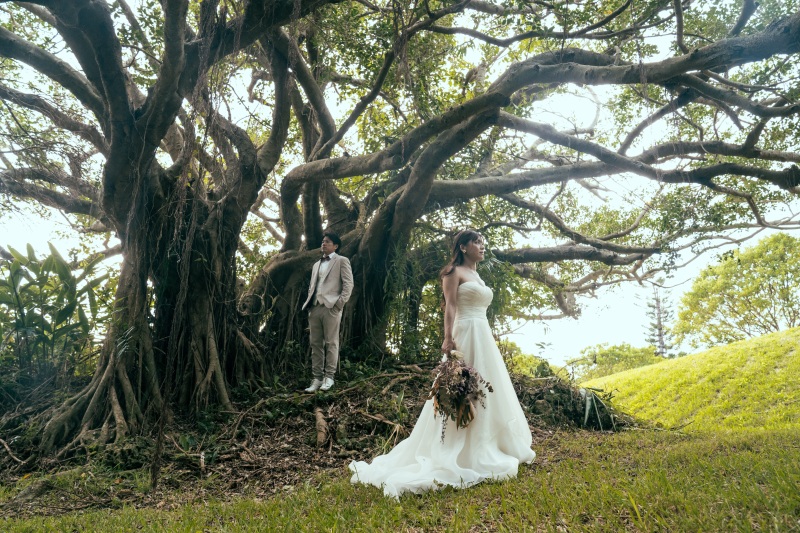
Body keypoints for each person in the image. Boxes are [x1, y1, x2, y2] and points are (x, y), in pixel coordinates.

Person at [349, 229, 535, 498]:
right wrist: (448, 339)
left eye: (482, 242)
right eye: (476, 242)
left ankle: (491, 443)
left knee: (488, 388)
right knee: (461, 389)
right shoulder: (452, 273)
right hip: (464, 334)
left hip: (482, 335)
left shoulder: (477, 275)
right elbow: (449, 307)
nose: (482, 246)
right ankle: (456, 445)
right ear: (462, 247)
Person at [302, 232, 353, 392]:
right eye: (323, 241)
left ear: (335, 246)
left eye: (328, 242)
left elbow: (348, 285)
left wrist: (338, 305)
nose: (323, 244)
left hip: (331, 307)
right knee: (315, 344)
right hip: (315, 307)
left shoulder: (342, 261)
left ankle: (329, 377)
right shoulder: (316, 264)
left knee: (331, 343)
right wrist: (310, 305)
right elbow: (313, 286)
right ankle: (316, 379)